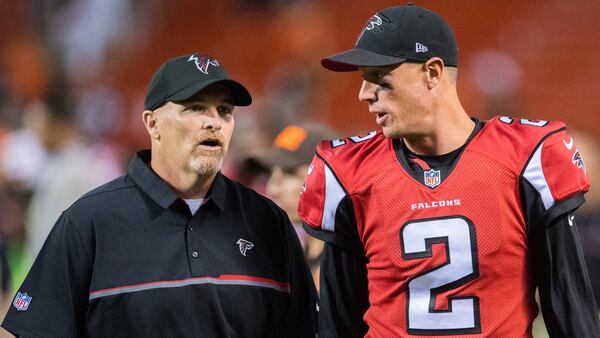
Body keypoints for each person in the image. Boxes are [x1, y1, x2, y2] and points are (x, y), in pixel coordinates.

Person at [298, 4, 600, 337]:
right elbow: (337, 323)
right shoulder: (349, 171)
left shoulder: (524, 159)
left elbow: (570, 311)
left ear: (432, 72)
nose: (364, 94)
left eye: (379, 79)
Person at [2, 53, 318, 337]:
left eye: (224, 110)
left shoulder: (267, 222)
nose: (214, 122)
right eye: (195, 108)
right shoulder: (89, 221)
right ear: (153, 124)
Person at [245, 122, 338, 290]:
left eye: (289, 173)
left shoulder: (352, 264)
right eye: (271, 173)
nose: (272, 189)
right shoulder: (296, 259)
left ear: (331, 177)